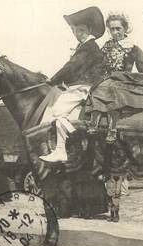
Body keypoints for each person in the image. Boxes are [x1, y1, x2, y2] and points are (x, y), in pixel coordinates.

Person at [86, 13, 143, 143]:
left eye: (118, 28)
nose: (115, 32)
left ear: (125, 29)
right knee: (98, 88)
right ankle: (94, 122)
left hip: (124, 79)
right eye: (112, 29)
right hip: (107, 78)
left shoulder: (132, 47)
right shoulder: (106, 46)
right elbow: (98, 64)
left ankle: (112, 128)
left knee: (114, 91)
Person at [39, 6, 106, 162]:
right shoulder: (85, 47)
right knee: (59, 112)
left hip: (84, 86)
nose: (77, 34)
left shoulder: (88, 47)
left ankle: (65, 147)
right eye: (75, 31)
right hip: (80, 85)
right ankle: (63, 147)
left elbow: (71, 67)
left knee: (56, 111)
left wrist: (53, 80)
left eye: (81, 30)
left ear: (89, 29)